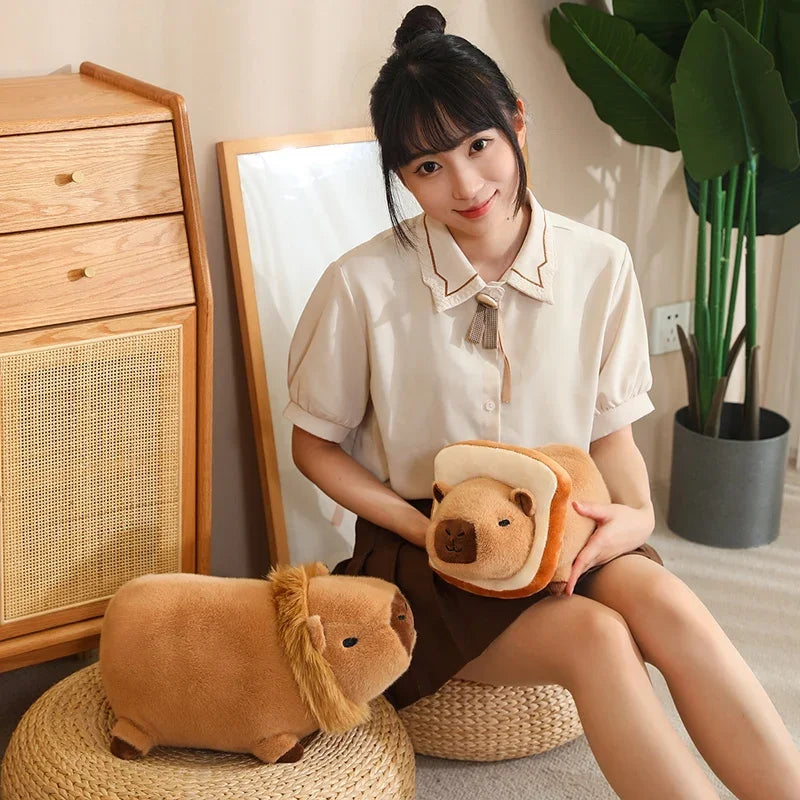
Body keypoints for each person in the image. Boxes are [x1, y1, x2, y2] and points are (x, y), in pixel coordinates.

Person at [284, 6, 800, 798]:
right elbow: (313, 446)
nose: (464, 185)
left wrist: (632, 519)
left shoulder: (600, 265)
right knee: (597, 639)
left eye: (478, 146)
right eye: (427, 167)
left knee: (667, 598)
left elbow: (610, 438)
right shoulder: (361, 285)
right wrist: (424, 528)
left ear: (517, 125)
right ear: (400, 176)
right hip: (433, 556)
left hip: (565, 531)